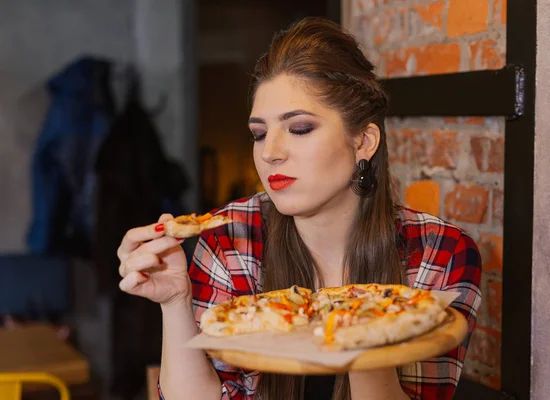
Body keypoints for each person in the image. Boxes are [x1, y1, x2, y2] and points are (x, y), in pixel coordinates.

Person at [117, 17, 482, 400]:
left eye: (300, 128)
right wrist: (175, 302)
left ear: (364, 141)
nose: (270, 152)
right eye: (259, 134)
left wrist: (366, 324)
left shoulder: (441, 251)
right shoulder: (230, 236)